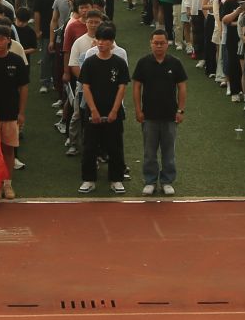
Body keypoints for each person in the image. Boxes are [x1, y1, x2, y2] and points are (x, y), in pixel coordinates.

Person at [130, 27, 188, 197]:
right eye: (156, 43)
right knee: (149, 152)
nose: (159, 46)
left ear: (167, 44)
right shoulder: (143, 63)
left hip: (170, 116)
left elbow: (182, 87)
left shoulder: (175, 63)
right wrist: (138, 110)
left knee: (169, 152)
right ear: (151, 43)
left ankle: (167, 181)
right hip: (149, 116)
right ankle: (150, 181)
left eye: (162, 43)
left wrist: (181, 110)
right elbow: (136, 87)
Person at [75, 25, 131, 195]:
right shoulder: (90, 62)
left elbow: (122, 87)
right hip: (92, 111)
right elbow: (86, 87)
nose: (100, 43)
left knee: (115, 146)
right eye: (98, 39)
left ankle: (116, 179)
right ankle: (89, 180)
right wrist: (93, 110)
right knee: (89, 146)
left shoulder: (119, 63)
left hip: (114, 111)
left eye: (105, 40)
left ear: (112, 42)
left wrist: (114, 111)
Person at [0, 26, 32, 198]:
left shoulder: (17, 60)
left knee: (8, 150)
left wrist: (21, 112)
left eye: (2, 39)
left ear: (8, 40)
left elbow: (24, 87)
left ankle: (7, 184)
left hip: (11, 113)